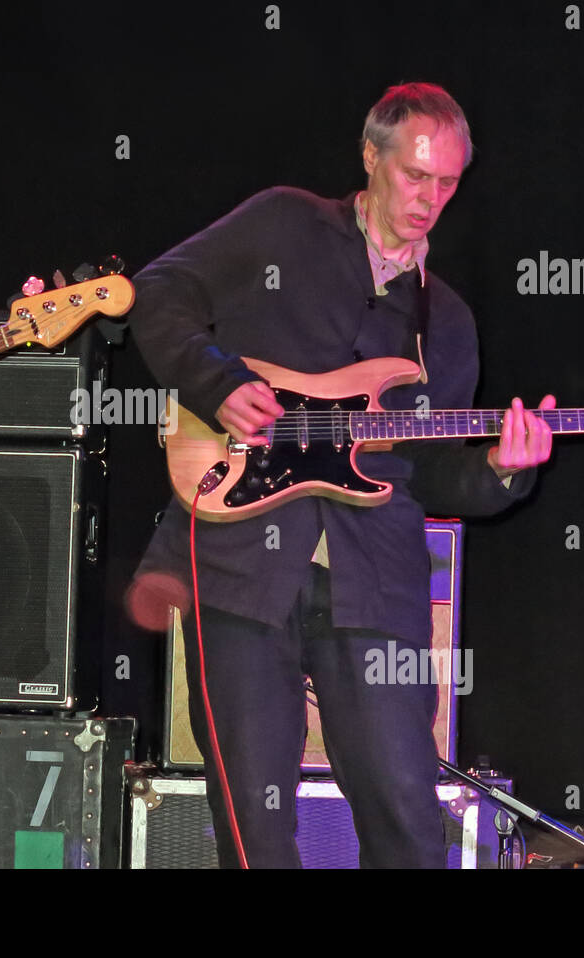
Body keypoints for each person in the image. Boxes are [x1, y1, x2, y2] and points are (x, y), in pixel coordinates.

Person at [127, 82, 555, 868]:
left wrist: (499, 470)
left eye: (449, 183)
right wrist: (217, 384)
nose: (431, 199)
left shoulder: (447, 320)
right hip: (237, 560)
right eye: (415, 176)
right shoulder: (285, 221)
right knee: (254, 833)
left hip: (373, 581)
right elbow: (157, 291)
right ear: (371, 157)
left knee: (406, 817)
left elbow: (430, 477)